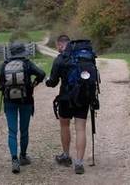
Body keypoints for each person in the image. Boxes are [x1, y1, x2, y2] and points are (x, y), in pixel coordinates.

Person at [0, 42, 45, 174]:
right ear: (23, 52)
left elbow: (0, 85)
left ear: (11, 53)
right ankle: (23, 156)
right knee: (24, 130)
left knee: (12, 132)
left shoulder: (4, 64)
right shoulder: (27, 63)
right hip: (26, 100)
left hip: (9, 102)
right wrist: (34, 84)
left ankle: (14, 160)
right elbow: (41, 73)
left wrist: (4, 88)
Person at [46, 35, 89, 175]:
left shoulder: (60, 59)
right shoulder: (84, 57)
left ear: (60, 45)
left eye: (57, 46)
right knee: (81, 128)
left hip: (65, 98)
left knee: (64, 125)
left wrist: (47, 81)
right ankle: (79, 163)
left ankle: (66, 156)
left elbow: (52, 82)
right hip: (83, 97)